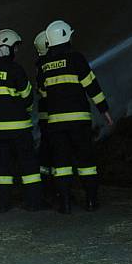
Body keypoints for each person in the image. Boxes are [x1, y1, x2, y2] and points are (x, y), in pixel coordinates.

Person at [38, 19, 113, 214]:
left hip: (56, 123)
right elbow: (92, 86)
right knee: (86, 162)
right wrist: (104, 110)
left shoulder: (44, 65)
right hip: (79, 121)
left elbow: (43, 94)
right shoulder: (77, 58)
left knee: (61, 164)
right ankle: (91, 201)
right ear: (66, 37)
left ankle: (65, 204)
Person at [0, 29, 43, 212]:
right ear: (9, 47)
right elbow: (27, 97)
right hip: (19, 129)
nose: (17, 50)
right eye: (16, 47)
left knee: (2, 169)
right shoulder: (15, 69)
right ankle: (34, 203)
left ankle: (2, 204)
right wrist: (25, 110)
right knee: (29, 167)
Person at [33, 30, 55, 203]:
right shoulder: (48, 64)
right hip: (54, 117)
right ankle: (54, 190)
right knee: (57, 153)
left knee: (46, 152)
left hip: (45, 117)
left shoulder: (41, 64)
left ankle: (47, 188)